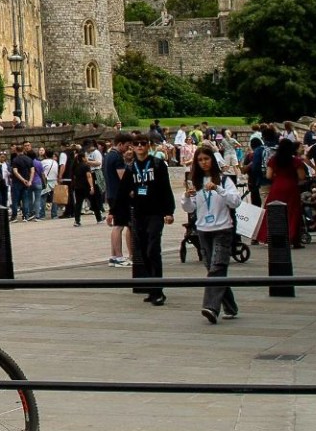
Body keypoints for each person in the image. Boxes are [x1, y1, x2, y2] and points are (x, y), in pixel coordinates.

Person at [183, 144, 240, 324]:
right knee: (213, 269)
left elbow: (235, 202)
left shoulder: (223, 180)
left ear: (212, 160)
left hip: (222, 228)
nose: (203, 163)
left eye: (206, 159)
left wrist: (218, 189)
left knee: (217, 267)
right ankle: (230, 306)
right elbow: (190, 207)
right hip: (203, 230)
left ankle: (211, 307)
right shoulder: (196, 183)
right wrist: (186, 197)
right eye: (200, 160)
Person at [120, 133, 176, 305]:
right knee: (143, 252)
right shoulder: (131, 167)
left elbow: (166, 188)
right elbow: (123, 191)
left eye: (143, 144)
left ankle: (158, 290)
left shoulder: (157, 165)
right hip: (139, 213)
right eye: (136, 144)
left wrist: (169, 211)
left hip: (156, 212)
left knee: (153, 249)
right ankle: (152, 288)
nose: (139, 147)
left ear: (149, 146)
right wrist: (115, 213)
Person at [258, 138, 307, 249]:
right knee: (292, 213)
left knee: (274, 211)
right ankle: (293, 238)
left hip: (277, 187)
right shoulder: (296, 161)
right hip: (291, 187)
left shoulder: (274, 159)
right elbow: (302, 176)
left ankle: (271, 236)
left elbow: (268, 176)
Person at [103, 136, 132, 267]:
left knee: (117, 225)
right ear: (120, 144)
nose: (127, 149)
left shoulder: (108, 156)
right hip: (119, 195)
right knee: (119, 225)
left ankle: (114, 255)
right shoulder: (117, 158)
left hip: (111, 193)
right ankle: (119, 257)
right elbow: (123, 178)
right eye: (127, 146)